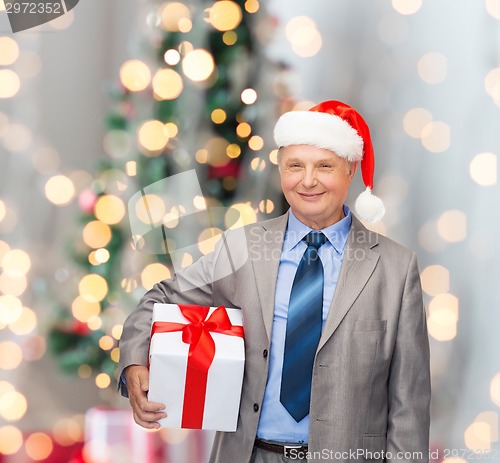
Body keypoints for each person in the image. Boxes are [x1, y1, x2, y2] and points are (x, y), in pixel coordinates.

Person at [118, 100, 431, 463]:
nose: (308, 180)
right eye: (295, 166)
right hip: (251, 455)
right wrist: (135, 362)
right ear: (281, 170)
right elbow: (161, 298)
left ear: (350, 170)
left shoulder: (395, 268)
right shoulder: (243, 248)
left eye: (324, 166)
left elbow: (409, 403)